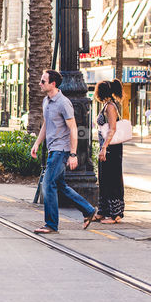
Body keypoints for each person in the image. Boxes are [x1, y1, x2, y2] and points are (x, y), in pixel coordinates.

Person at [29, 69, 98, 234]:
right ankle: (88, 210)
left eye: (43, 81)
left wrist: (73, 154)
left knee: (48, 184)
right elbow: (46, 124)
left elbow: (73, 128)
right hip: (53, 148)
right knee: (60, 185)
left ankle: (51, 224)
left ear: (53, 84)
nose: (40, 83)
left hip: (61, 150)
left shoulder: (63, 102)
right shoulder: (47, 101)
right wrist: (37, 143)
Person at [95, 80, 125, 224]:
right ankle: (103, 211)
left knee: (112, 179)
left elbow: (113, 128)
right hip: (107, 147)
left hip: (111, 148)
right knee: (104, 179)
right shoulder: (107, 105)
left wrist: (104, 147)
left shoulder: (110, 107)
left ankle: (115, 215)